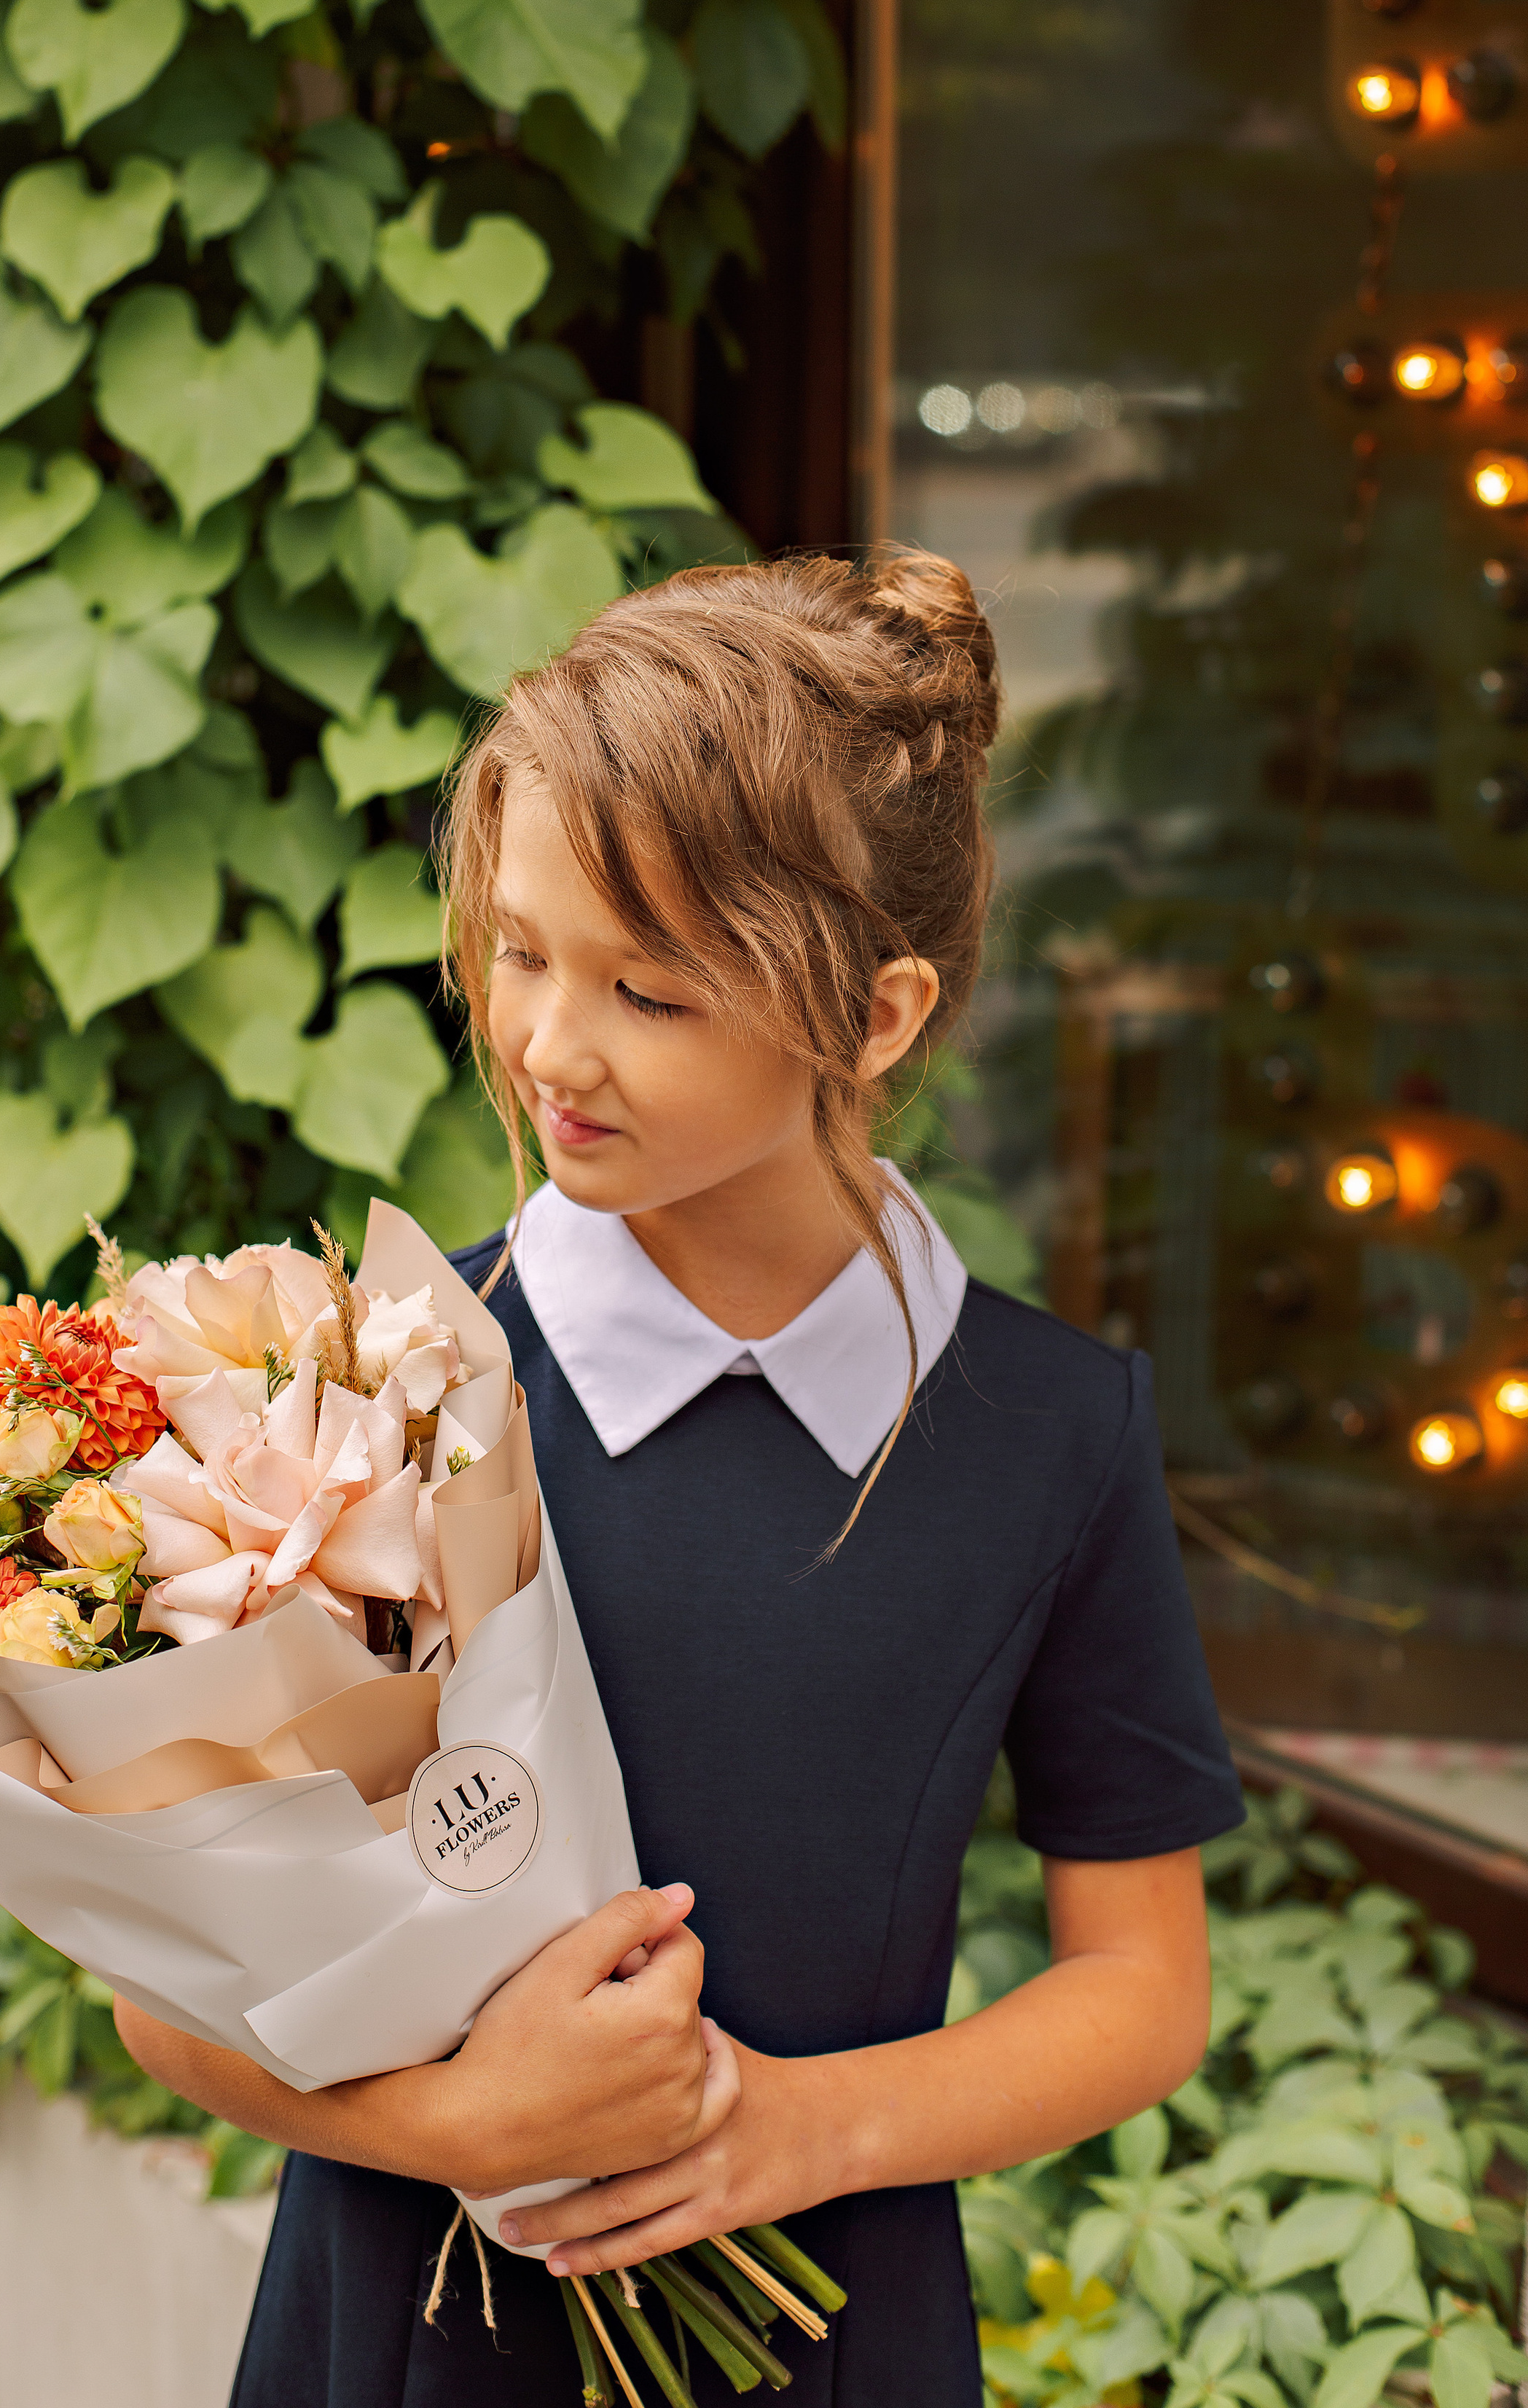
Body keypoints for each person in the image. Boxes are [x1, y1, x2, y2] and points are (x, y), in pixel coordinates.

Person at [114, 547, 1245, 2407]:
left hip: (827, 2340)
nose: (550, 1046)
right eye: (521, 949)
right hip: (395, 2340)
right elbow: (158, 1996)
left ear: (874, 1019)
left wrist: (798, 2130)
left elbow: (1140, 1987)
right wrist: (462, 2125)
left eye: (645, 989)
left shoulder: (1045, 1437)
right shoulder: (361, 1393)